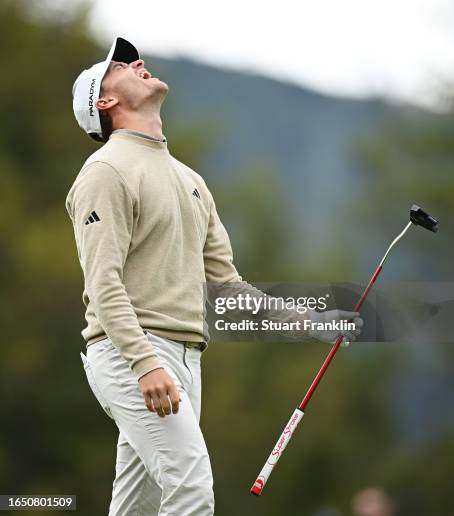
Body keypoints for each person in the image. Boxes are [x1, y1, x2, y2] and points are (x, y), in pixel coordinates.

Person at [65, 37, 363, 515]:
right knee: (192, 490)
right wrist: (145, 363)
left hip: (183, 361)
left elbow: (228, 289)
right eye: (120, 65)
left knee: (136, 508)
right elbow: (103, 285)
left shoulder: (191, 182)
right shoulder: (104, 171)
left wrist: (315, 321)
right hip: (132, 356)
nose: (137, 63)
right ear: (105, 102)